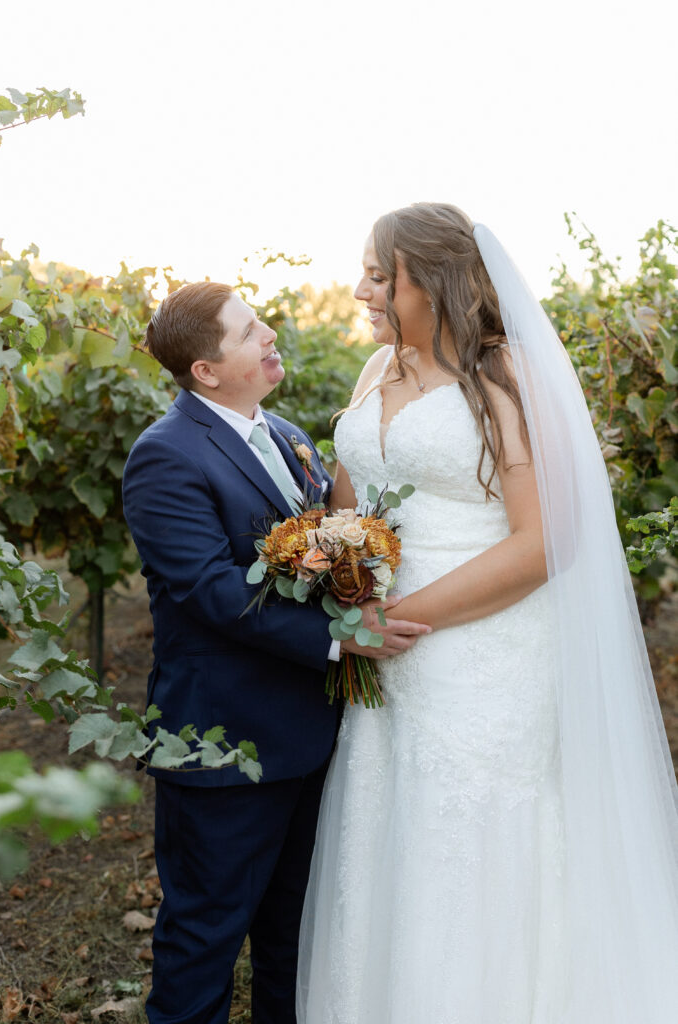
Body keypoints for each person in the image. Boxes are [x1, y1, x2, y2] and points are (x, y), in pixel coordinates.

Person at [296, 203, 678, 1023]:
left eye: (376, 272)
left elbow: (544, 543)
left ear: (429, 282)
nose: (359, 288)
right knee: (384, 822)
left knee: (464, 841)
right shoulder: (376, 371)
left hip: (482, 652)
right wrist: (337, 572)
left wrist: (396, 618)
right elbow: (349, 500)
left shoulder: (501, 379)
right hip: (387, 651)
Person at [121, 281, 430, 1024]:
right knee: (204, 938)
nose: (269, 336)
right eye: (249, 331)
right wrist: (337, 639)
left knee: (296, 939)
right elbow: (209, 589)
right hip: (223, 742)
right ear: (205, 371)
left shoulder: (283, 431)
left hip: (308, 733)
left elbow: (327, 539)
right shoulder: (164, 457)